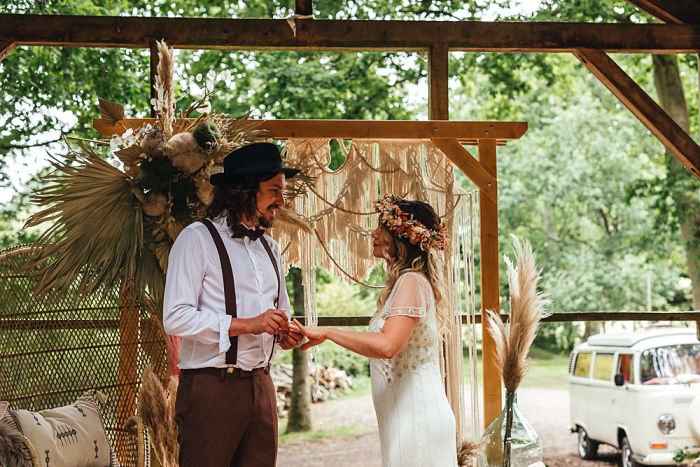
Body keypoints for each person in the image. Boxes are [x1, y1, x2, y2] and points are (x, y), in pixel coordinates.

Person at [163, 142, 303, 466]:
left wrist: (285, 334)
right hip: (212, 389)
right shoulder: (196, 239)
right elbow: (175, 317)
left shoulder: (271, 247)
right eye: (273, 191)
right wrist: (248, 324)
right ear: (244, 190)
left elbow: (279, 312)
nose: (281, 201)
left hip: (263, 387)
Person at [292, 194, 458, 467]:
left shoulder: (412, 282)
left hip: (416, 417)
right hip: (404, 416)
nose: (374, 233)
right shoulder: (407, 282)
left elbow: (387, 346)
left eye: (382, 227)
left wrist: (328, 333)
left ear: (402, 237)